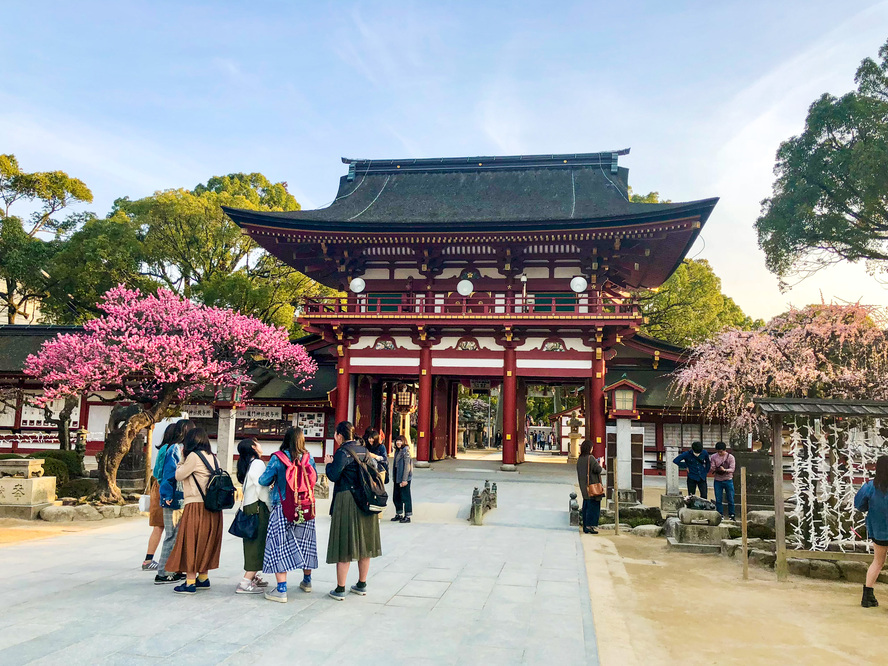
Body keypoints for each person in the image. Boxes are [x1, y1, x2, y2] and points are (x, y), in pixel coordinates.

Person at [258, 426, 319, 603]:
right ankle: (307, 581)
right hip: (305, 508)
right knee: (306, 543)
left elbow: (264, 480)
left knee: (279, 546)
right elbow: (313, 480)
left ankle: (281, 589)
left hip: (282, 507)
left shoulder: (278, 459)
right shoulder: (309, 458)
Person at [323, 421, 383, 601]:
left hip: (346, 499)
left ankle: (340, 588)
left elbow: (334, 475)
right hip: (365, 499)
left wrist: (328, 464)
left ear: (339, 436)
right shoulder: (364, 450)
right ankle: (361, 584)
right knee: (364, 541)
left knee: (345, 542)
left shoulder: (342, 452)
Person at [164, 427, 224, 595]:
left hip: (196, 506)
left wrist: (182, 458)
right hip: (213, 508)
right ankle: (203, 578)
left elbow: (178, 475)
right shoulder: (213, 457)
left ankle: (190, 582)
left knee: (190, 541)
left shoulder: (192, 457)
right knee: (205, 542)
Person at [154, 418, 194, 584]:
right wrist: (167, 496)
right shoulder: (175, 449)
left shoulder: (179, 448)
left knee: (177, 535)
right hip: (174, 497)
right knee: (172, 535)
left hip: (178, 496)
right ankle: (162, 572)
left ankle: (174, 569)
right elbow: (169, 475)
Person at [234, 438, 270, 595]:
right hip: (258, 507)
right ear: (254, 447)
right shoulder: (258, 463)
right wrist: (270, 505)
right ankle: (245, 582)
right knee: (257, 544)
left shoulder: (249, 463)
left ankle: (253, 577)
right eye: (258, 442)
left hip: (249, 506)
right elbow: (261, 487)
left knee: (251, 542)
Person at [854, 455, 888, 608]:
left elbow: (859, 505)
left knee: (878, 561)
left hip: (878, 530)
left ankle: (867, 596)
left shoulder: (869, 486)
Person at [576, 439, 603, 534]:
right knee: (593, 507)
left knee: (586, 506)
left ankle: (585, 525)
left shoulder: (580, 459)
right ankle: (590, 526)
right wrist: (601, 462)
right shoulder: (590, 458)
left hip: (584, 486)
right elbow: (598, 469)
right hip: (592, 486)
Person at [710, 442, 736, 520]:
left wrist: (725, 470)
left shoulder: (730, 457)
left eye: (721, 451)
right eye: (718, 451)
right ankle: (720, 514)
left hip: (728, 479)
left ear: (725, 450)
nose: (719, 453)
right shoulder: (714, 457)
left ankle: (732, 514)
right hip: (718, 479)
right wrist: (716, 468)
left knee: (730, 498)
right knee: (718, 499)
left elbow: (732, 469)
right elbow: (712, 467)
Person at [391, 435, 413, 523]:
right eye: (397, 441)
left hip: (404, 476)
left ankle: (407, 515)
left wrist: (404, 480)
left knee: (405, 496)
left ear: (404, 442)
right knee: (396, 496)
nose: (398, 443)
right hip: (397, 475)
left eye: (400, 441)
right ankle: (399, 513)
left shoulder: (406, 451)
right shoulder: (397, 451)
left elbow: (407, 467)